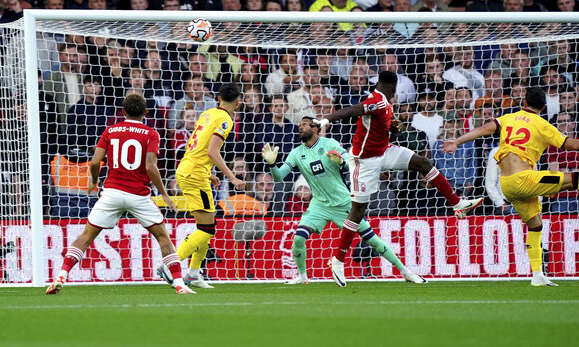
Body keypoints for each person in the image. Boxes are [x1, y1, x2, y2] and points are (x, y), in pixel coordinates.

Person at [441, 87, 579, 286]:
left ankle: (537, 274)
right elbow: (573, 145)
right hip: (525, 180)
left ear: (524, 103)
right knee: (575, 179)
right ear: (544, 106)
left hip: (508, 186)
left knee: (535, 225)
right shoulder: (543, 124)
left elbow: (483, 129)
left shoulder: (508, 118)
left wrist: (457, 141)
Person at [314, 70, 483, 287]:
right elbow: (354, 110)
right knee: (357, 211)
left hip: (384, 151)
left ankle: (457, 203)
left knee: (423, 163)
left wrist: (393, 126)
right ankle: (338, 261)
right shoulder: (375, 100)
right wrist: (326, 119)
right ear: (392, 88)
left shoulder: (385, 102)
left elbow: (379, 123)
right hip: (364, 161)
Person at [46, 94, 194, 295]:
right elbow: (150, 166)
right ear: (145, 113)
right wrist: (164, 194)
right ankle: (179, 284)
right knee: (163, 238)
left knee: (86, 236)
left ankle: (61, 275)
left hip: (112, 192)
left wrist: (95, 180)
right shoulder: (151, 133)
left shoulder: (110, 131)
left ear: (123, 112)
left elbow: (96, 162)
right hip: (138, 195)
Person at [262, 117, 426, 284]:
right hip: (319, 204)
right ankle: (303, 277)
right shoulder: (296, 153)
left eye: (304, 124)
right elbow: (278, 177)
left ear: (316, 129)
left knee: (372, 240)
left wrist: (341, 162)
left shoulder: (329, 144)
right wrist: (272, 164)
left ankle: (406, 272)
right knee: (298, 239)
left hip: (343, 203)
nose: (300, 127)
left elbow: (353, 164)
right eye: (299, 125)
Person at [165, 83, 246, 289]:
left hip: (192, 169)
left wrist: (209, 173)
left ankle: (193, 273)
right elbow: (212, 151)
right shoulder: (226, 120)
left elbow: (197, 144)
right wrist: (233, 177)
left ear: (218, 99)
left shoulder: (208, 113)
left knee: (206, 227)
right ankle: (169, 265)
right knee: (207, 228)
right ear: (238, 102)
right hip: (194, 174)